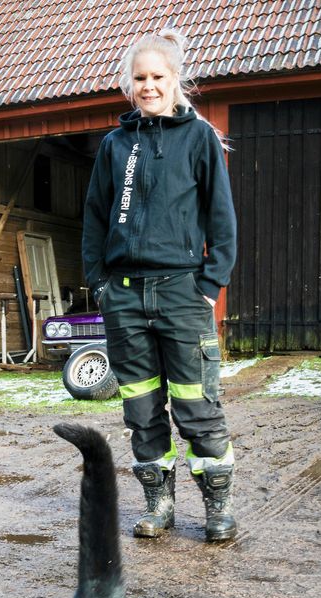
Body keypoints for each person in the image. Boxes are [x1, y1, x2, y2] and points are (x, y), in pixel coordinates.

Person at [82, 29, 238, 543]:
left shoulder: (199, 139)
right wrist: (100, 285)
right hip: (124, 295)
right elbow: (94, 219)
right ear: (129, 84)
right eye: (141, 78)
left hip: (180, 292)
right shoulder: (114, 145)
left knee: (197, 405)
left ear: (175, 81)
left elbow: (222, 221)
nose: (149, 86)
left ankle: (216, 510)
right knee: (141, 409)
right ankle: (159, 504)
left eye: (158, 77)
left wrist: (207, 286)